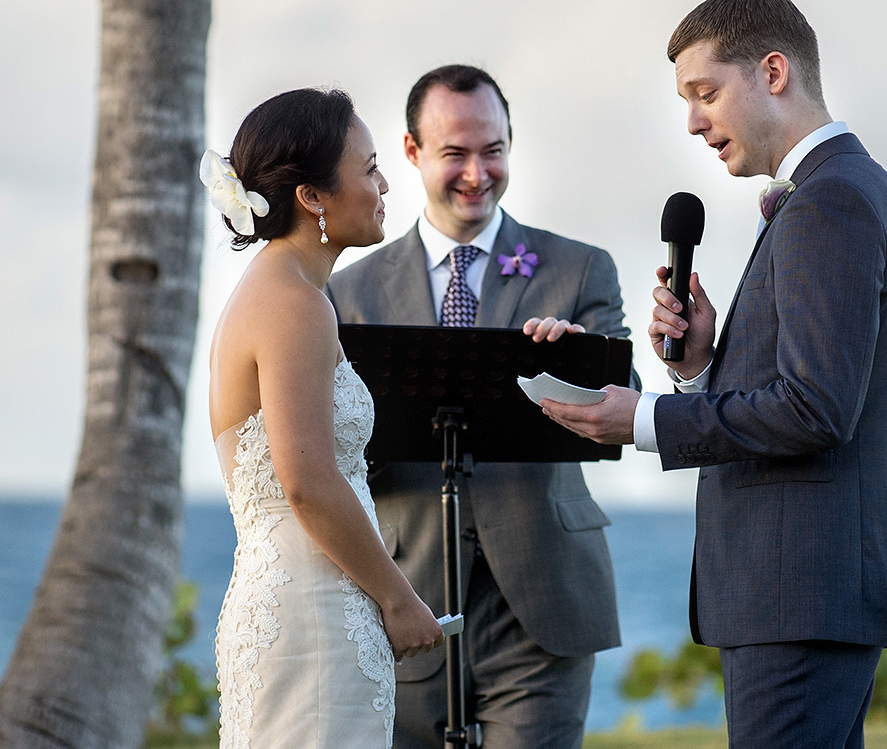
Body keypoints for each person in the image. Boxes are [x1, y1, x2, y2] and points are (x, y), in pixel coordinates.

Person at [540, 0, 887, 748]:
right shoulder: (834, 192)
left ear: (774, 72)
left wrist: (645, 418)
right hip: (808, 589)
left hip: (798, 590)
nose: (691, 120)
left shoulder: (831, 203)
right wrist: (700, 368)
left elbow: (816, 409)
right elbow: (810, 390)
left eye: (706, 92)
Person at [326, 65, 636, 749]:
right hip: (407, 594)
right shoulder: (347, 291)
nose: (476, 173)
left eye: (492, 151)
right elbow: (332, 449)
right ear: (411, 152)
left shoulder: (580, 270)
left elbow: (621, 409)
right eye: (454, 154)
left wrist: (583, 365)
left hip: (543, 599)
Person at [205, 88, 444, 749]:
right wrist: (399, 599)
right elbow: (306, 481)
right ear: (313, 197)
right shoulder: (293, 304)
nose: (384, 182)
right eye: (368, 167)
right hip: (312, 613)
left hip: (293, 596)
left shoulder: (277, 291)